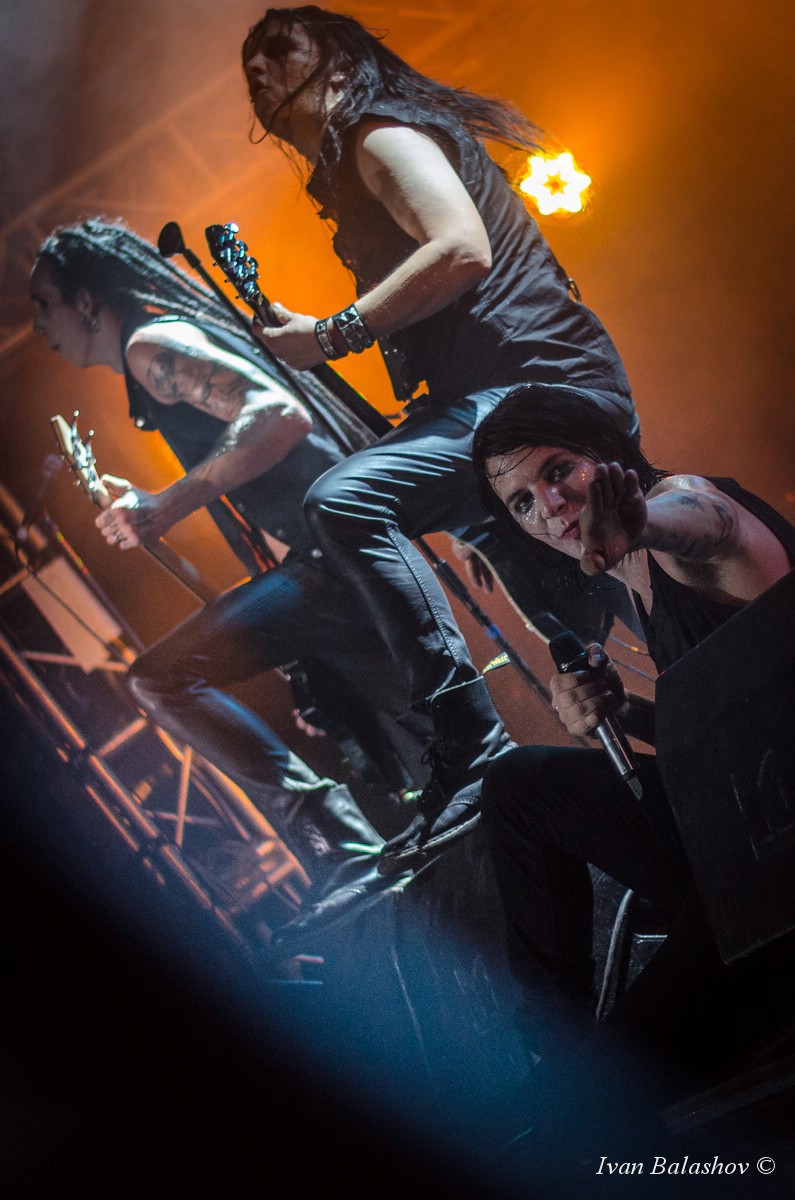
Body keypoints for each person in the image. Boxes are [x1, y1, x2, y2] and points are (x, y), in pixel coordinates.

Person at [240, 5, 639, 876]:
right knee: (584, 643)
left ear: (337, 61)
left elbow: (461, 249)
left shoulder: (378, 135)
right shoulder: (364, 152)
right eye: (248, 68)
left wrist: (332, 334)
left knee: (344, 499)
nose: (258, 72)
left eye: (277, 50)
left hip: (539, 392)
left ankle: (466, 735)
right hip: (501, 405)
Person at [30, 218, 431, 948]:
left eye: (44, 304)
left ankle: (336, 840)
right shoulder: (155, 350)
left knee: (159, 679)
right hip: (338, 554)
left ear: (85, 303)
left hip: (335, 557)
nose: (37, 325)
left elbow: (279, 414)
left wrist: (164, 505)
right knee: (422, 752)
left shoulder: (149, 346)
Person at [471, 383, 795, 1084]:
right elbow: (736, 724)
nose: (549, 505)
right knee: (520, 784)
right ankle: (547, 1044)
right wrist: (623, 713)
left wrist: (642, 522)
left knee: (607, 1088)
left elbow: (712, 524)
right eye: (521, 503)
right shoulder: (632, 570)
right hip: (732, 838)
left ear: (606, 450)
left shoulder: (683, 509)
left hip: (777, 871)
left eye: (559, 470)